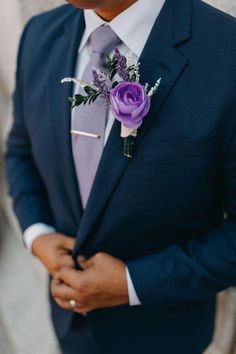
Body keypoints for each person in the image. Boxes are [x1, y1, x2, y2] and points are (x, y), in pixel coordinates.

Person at [5, 0, 236, 353]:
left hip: (166, 333)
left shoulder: (227, 51)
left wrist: (132, 283)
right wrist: (37, 234)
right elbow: (21, 152)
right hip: (71, 326)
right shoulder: (39, 35)